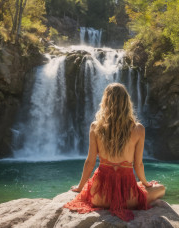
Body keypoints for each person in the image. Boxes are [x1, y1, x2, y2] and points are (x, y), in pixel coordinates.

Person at [63, 83, 165, 221]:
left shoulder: (95, 127)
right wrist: (147, 184)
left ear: (105, 102)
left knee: (139, 186)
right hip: (127, 199)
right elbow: (138, 165)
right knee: (160, 188)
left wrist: (80, 187)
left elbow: (90, 162)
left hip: (99, 197)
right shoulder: (139, 129)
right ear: (127, 103)